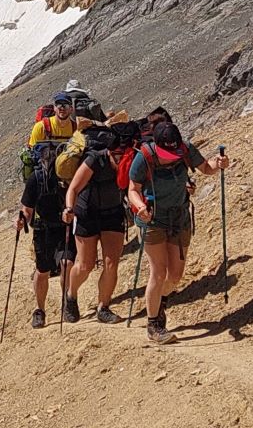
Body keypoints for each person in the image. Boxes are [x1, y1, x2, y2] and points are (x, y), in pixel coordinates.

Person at [126, 117, 227, 344]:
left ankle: (160, 301)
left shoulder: (185, 149)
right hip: (152, 219)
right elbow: (132, 189)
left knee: (175, 276)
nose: (173, 158)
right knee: (159, 272)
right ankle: (154, 325)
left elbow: (206, 168)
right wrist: (140, 206)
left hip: (179, 217)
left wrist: (218, 164)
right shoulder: (144, 156)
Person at [60, 110, 132, 321]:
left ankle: (103, 308)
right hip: (86, 213)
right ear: (108, 151)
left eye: (121, 154)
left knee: (111, 263)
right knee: (85, 265)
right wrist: (69, 209)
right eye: (115, 155)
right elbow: (73, 188)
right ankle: (71, 296)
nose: (118, 158)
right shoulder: (94, 159)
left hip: (112, 213)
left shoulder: (128, 160)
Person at [18, 103, 75, 327]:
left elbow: (28, 209)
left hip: (57, 225)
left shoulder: (52, 177)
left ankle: (66, 304)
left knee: (67, 263)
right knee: (43, 270)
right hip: (46, 227)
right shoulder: (41, 178)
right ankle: (40, 309)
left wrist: (25, 218)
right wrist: (23, 218)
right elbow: (27, 207)